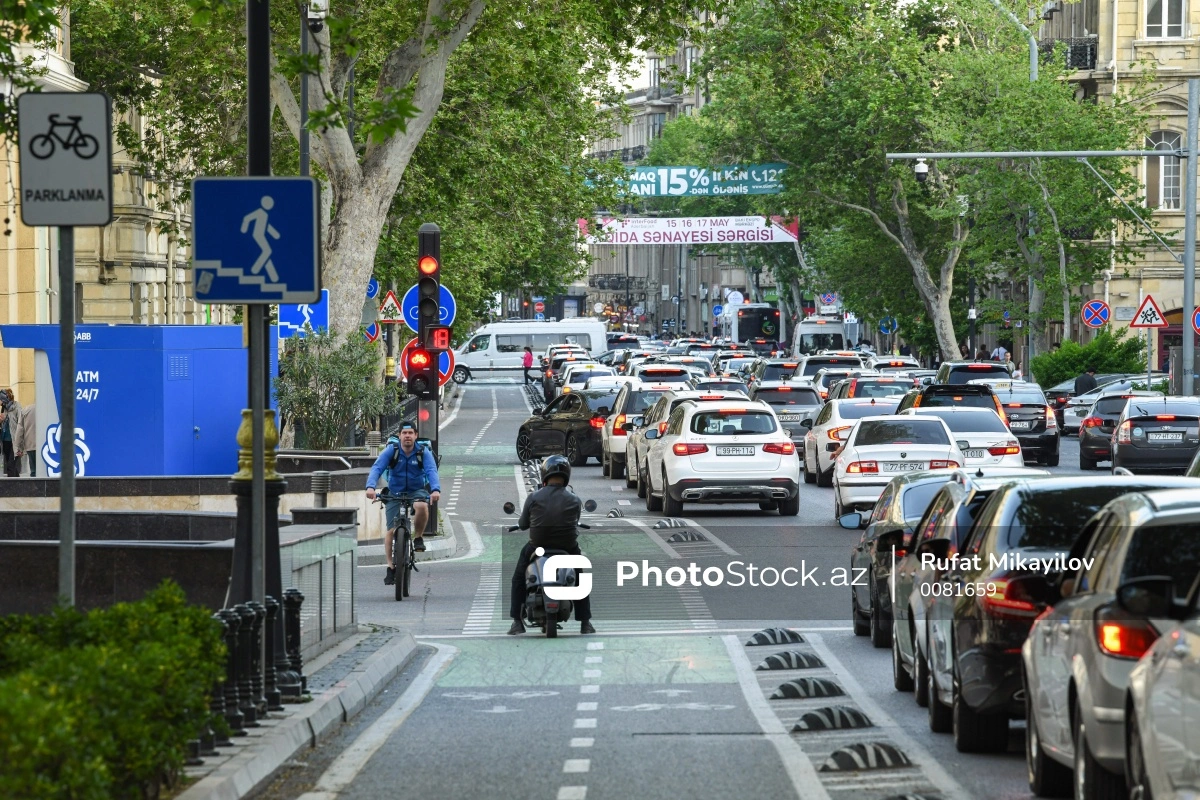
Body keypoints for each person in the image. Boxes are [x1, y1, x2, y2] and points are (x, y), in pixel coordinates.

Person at [508, 456, 594, 635]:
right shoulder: (574, 499)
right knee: (581, 578)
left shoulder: (534, 497)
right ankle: (585, 623)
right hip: (568, 547)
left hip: (538, 546)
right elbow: (575, 520)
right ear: (566, 475)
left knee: (518, 578)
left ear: (545, 474)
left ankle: (517, 621)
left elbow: (523, 524)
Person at [365, 422, 441, 585]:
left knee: (421, 506)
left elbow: (431, 470)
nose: (407, 436)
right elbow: (377, 468)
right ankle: (391, 566)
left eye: (410, 433)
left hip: (416, 490)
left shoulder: (422, 452)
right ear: (399, 435)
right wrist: (370, 487)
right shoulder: (392, 451)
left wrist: (435, 490)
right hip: (395, 492)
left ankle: (418, 538)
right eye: (404, 433)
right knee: (391, 531)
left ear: (415, 435)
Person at [7, 390, 34, 476]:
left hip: (18, 441)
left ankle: (12, 487)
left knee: (12, 466)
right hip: (7, 441)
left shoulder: (19, 408)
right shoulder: (5, 408)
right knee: (12, 467)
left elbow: (20, 427)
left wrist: (19, 446)